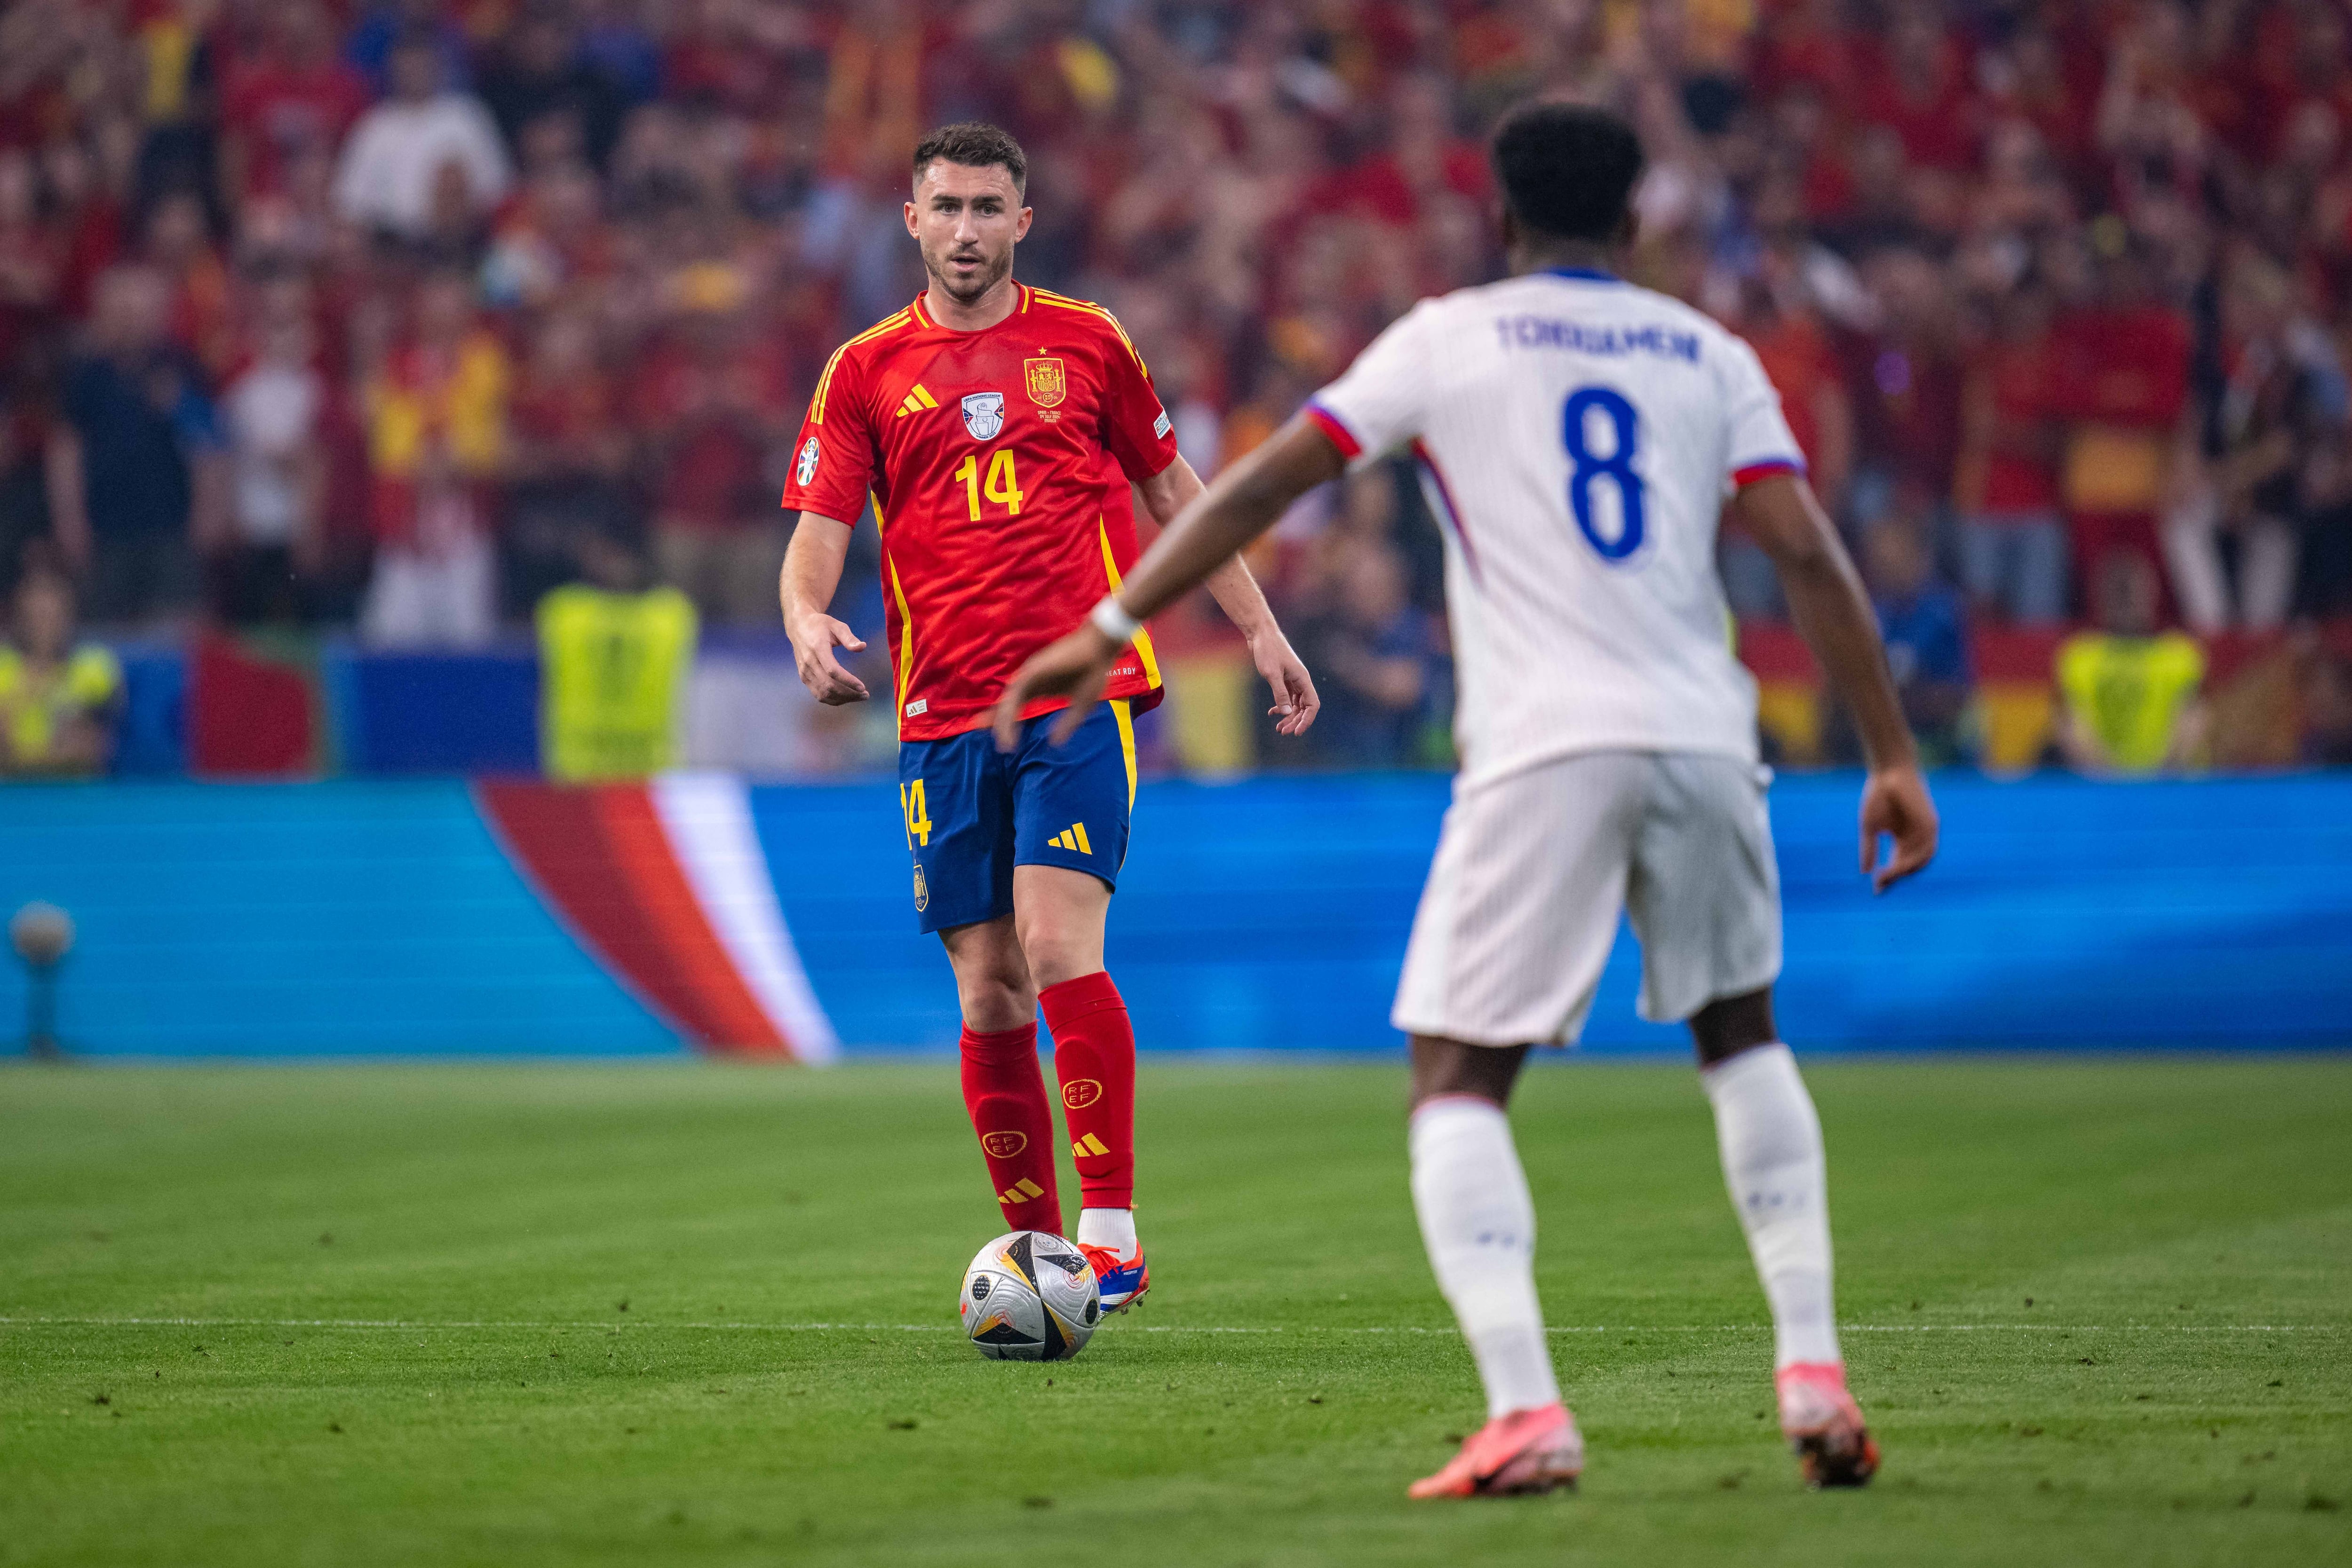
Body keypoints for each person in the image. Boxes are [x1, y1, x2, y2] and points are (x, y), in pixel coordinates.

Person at [998, 104, 1938, 1495]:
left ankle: (1526, 1409)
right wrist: (1892, 753)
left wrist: (1117, 613)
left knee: (1454, 1075)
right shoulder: (1709, 352)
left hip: (1545, 743)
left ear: (1498, 220)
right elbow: (1804, 553)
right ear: (1635, 227)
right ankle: (1809, 1365)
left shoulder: (1450, 337)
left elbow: (1268, 477)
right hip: (1701, 736)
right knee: (1741, 1037)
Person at [778, 123, 1320, 1313]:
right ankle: (1039, 1259)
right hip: (938, 714)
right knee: (987, 991)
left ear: (1023, 221)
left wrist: (1259, 628)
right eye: (946, 207)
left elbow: (1178, 496)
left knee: (1060, 942)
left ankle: (1112, 1228)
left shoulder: (1086, 343)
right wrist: (807, 624)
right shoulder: (863, 370)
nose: (966, 229)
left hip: (1079, 696)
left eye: (988, 207)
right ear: (910, 220)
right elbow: (813, 540)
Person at [536, 526, 696, 782]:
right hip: (578, 774)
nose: (613, 564)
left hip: (649, 774)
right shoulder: (564, 612)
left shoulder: (671, 614)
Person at [2057, 552, 2207, 775]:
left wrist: (2160, 780)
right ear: (2100, 599)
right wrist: (2114, 786)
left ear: (2152, 595)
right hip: (2102, 790)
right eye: (2118, 595)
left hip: (2172, 788)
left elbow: (2193, 722)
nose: (2126, 603)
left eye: (2131, 594)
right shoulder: (2080, 657)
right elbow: (2073, 728)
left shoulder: (2180, 655)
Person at [0, 556, 122, 776]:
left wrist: (25, 756)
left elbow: (89, 750)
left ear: (69, 613)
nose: (44, 627)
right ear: (19, 614)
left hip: (74, 798)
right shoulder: (3, 668)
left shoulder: (94, 668)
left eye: (52, 617)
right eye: (36, 617)